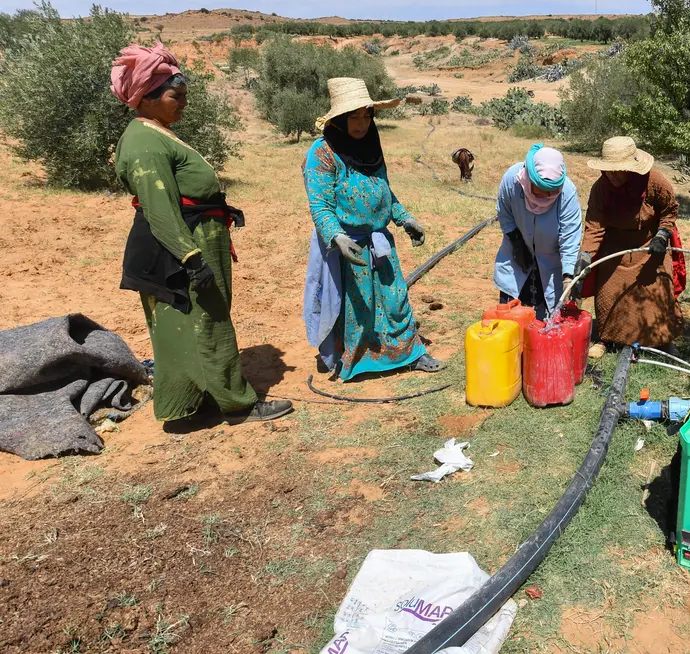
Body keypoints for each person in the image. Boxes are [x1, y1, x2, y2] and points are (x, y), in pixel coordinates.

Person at [111, 43, 291, 424]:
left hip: (195, 236)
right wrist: (191, 258)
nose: (184, 104)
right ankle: (237, 404)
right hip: (181, 245)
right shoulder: (145, 142)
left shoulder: (156, 131)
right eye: (177, 97)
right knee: (207, 321)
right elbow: (159, 208)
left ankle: (199, 398)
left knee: (195, 322)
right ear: (147, 97)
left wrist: (221, 211)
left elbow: (185, 191)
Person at [302, 77, 442, 381]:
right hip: (347, 246)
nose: (362, 123)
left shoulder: (370, 145)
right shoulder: (322, 153)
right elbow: (320, 204)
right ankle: (358, 361)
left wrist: (405, 218)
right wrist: (337, 237)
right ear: (339, 119)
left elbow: (383, 191)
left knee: (395, 300)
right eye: (354, 117)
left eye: (367, 115)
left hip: (380, 243)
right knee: (358, 309)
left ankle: (409, 354)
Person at [582, 137, 684, 358]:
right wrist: (585, 257)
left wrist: (662, 235)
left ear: (631, 169)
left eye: (618, 170)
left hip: (651, 246)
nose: (612, 175)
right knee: (609, 294)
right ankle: (607, 339)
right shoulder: (601, 189)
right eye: (609, 170)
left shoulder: (654, 181)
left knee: (658, 292)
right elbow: (594, 227)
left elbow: (669, 210)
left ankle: (663, 341)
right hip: (615, 250)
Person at [493, 145, 585, 320]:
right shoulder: (512, 180)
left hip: (551, 262)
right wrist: (517, 244)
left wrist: (567, 277)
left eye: (551, 193)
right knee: (512, 318)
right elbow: (504, 213)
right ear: (530, 179)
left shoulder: (567, 192)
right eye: (540, 191)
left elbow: (570, 237)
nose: (546, 196)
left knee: (547, 322)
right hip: (517, 256)